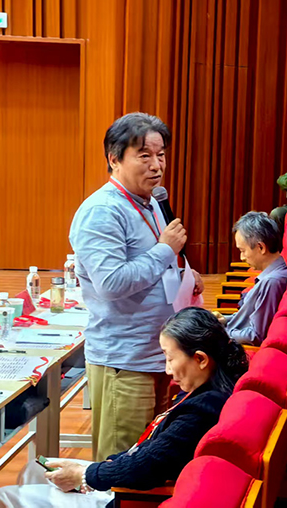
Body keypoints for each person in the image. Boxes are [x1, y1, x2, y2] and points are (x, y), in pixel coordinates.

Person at [0, 308, 248, 508]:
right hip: (132, 480)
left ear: (201, 359)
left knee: (5, 495)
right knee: (35, 469)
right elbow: (153, 453)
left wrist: (85, 476)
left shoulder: (202, 409)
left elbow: (147, 467)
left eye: (170, 358)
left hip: (131, 497)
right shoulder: (211, 388)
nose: (167, 369)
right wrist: (103, 467)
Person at [69, 113, 205, 462]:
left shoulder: (152, 202)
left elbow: (158, 259)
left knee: (150, 463)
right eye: (144, 155)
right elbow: (112, 283)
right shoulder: (102, 212)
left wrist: (184, 272)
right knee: (122, 466)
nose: (157, 165)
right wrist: (165, 251)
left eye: (161, 155)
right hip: (125, 362)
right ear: (114, 159)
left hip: (159, 356)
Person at [212, 212, 287, 345]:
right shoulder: (273, 276)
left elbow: (255, 336)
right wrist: (225, 320)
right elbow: (251, 317)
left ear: (261, 247)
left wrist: (220, 332)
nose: (241, 257)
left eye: (242, 251)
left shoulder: (272, 282)